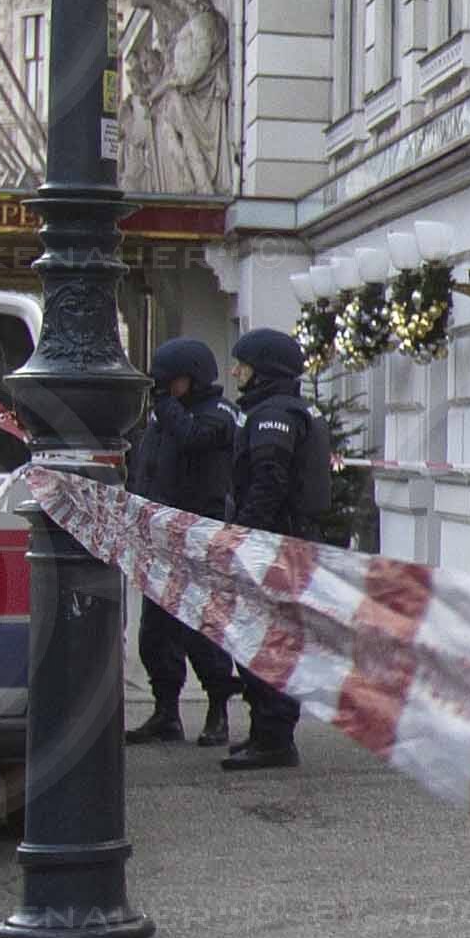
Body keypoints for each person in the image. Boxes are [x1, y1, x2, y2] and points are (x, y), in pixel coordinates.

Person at [218, 327, 329, 772]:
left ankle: (275, 737)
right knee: (263, 637)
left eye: (242, 365)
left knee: (266, 639)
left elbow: (269, 480)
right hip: (284, 540)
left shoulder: (274, 415)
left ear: (263, 369)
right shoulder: (282, 409)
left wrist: (244, 538)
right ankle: (266, 731)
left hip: (274, 543)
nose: (235, 372)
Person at [122, 335, 243, 743]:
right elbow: (146, 468)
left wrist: (167, 407)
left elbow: (195, 439)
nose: (165, 389)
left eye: (171, 381)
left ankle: (217, 712)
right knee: (155, 634)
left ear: (193, 378)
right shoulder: (164, 418)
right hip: (159, 539)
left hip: (199, 538)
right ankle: (165, 712)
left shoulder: (219, 414)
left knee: (201, 629)